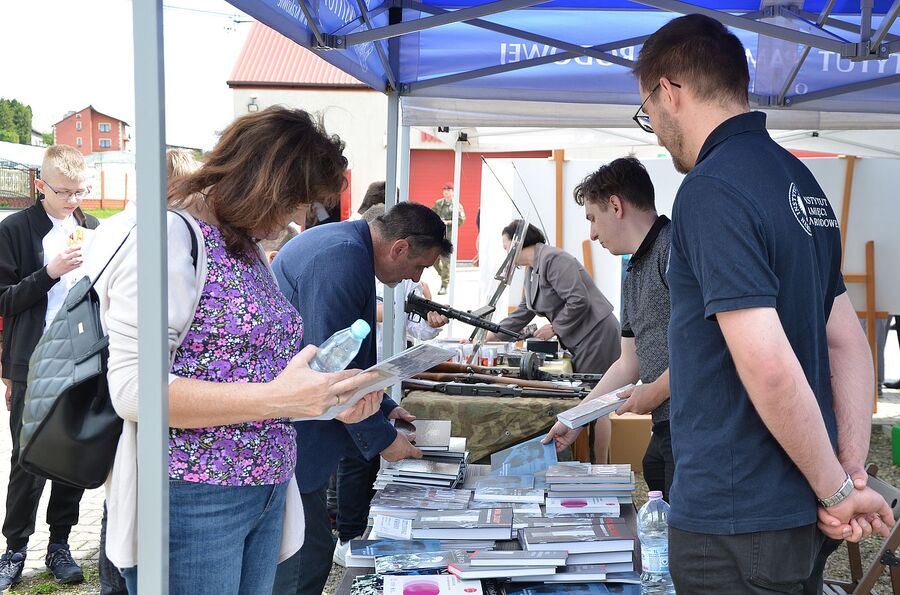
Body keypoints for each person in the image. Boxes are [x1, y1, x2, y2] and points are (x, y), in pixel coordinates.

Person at [634, 14, 892, 593]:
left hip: (735, 517)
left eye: (646, 109)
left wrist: (837, 487)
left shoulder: (710, 188)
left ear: (669, 92)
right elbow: (847, 341)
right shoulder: (798, 179)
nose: (652, 126)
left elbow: (769, 365)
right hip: (794, 510)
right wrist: (845, 471)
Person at [85, 106, 383, 594]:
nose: (296, 218)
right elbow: (136, 390)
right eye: (295, 202)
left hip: (261, 485)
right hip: (193, 493)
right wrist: (282, 400)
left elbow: (253, 372)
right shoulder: (166, 238)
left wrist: (328, 402)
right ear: (264, 182)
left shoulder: (239, 243)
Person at [271, 201, 453, 595]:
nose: (415, 276)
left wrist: (385, 404)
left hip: (301, 425)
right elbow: (329, 367)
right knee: (303, 558)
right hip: (289, 428)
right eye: (419, 266)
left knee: (310, 549)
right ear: (399, 248)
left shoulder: (348, 250)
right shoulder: (340, 257)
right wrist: (385, 441)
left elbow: (349, 351)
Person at [544, 157, 674, 496]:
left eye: (592, 218)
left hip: (699, 428)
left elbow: (712, 343)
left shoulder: (675, 251)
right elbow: (628, 363)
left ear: (615, 205)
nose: (592, 233)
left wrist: (656, 390)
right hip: (666, 427)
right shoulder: (632, 271)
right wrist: (577, 417)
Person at [0, 144, 99, 588]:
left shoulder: (94, 228)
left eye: (81, 191)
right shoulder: (16, 230)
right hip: (32, 361)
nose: (74, 200)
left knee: (72, 452)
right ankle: (15, 548)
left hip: (81, 360)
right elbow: (5, 300)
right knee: (26, 458)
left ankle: (60, 544)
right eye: (64, 192)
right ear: (41, 187)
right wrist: (50, 272)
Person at [488, 221, 621, 418]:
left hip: (596, 334)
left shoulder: (553, 258)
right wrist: (492, 334)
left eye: (506, 247)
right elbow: (525, 309)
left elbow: (578, 299)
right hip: (579, 337)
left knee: (593, 402)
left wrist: (554, 328)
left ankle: (596, 450)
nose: (505, 254)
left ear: (518, 243)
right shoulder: (531, 269)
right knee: (587, 400)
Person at [432, 182, 465, 295]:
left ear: (452, 192)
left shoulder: (457, 205)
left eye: (448, 190)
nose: (446, 192)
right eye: (444, 190)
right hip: (437, 236)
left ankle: (444, 285)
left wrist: (447, 222)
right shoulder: (438, 203)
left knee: (446, 261)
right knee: (433, 260)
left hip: (448, 237)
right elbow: (431, 215)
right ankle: (444, 277)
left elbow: (461, 220)